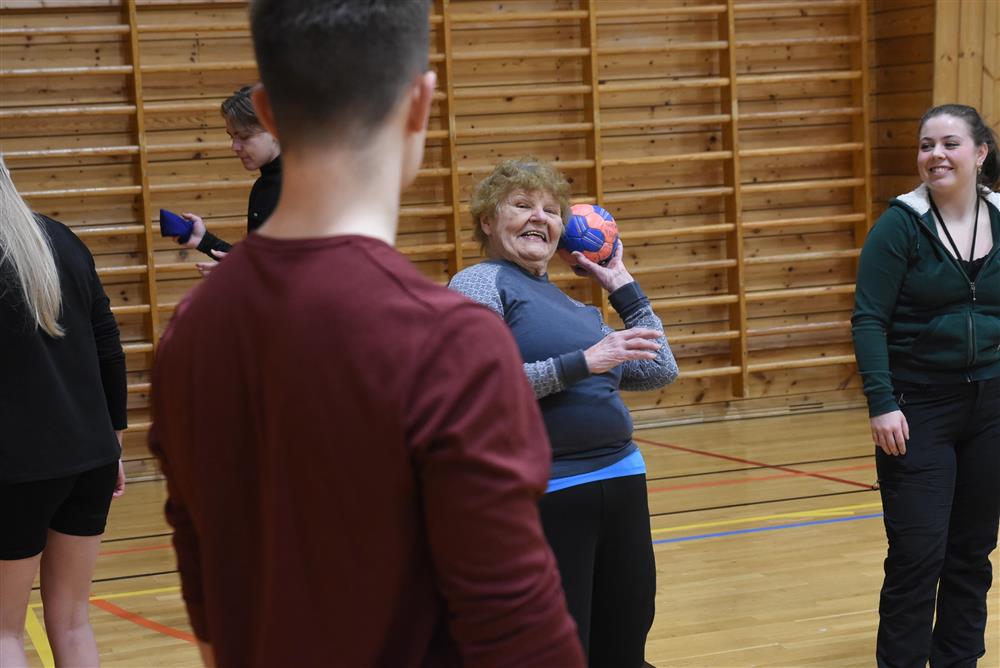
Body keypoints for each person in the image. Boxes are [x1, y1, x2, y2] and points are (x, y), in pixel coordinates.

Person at [147, 2, 584, 667]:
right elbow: (518, 631)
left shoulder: (187, 336)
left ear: (265, 109)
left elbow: (204, 580)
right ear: (420, 103)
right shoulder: (450, 341)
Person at [449, 157, 679, 667]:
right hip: (545, 493)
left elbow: (660, 370)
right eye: (523, 205)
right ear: (488, 220)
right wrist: (585, 362)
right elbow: (477, 389)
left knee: (624, 639)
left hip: (621, 481)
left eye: (551, 210)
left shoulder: (579, 309)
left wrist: (623, 285)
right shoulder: (480, 283)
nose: (540, 217)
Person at [852, 103, 1000, 667]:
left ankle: (958, 660)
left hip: (989, 404)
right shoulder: (900, 225)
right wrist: (882, 403)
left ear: (980, 153)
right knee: (918, 554)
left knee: (972, 552)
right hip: (918, 408)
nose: (934, 155)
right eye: (925, 145)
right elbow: (868, 319)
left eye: (949, 143)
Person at [0, 156, 127, 667]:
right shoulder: (60, 239)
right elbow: (109, 349)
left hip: (18, 469)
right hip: (90, 457)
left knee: (4, 632)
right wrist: (112, 443)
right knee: (73, 621)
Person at [180, 84, 282, 275]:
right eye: (232, 136)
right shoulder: (263, 187)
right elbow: (260, 264)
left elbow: (305, 275)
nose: (234, 146)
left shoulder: (302, 188)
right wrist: (204, 240)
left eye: (244, 136)